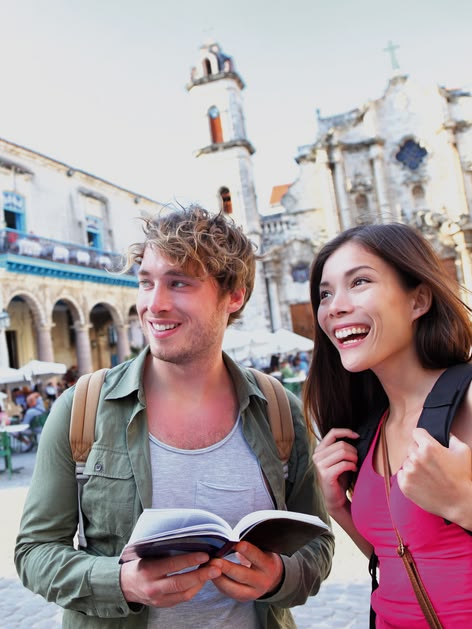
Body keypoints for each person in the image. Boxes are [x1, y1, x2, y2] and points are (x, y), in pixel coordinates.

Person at [15, 205, 334, 628]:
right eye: (146, 282)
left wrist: (279, 576)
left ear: (233, 294)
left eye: (179, 283)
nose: (154, 304)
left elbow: (318, 544)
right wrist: (121, 582)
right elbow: (34, 552)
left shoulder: (277, 409)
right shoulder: (81, 408)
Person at [303, 222, 472, 628]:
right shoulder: (368, 428)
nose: (334, 307)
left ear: (419, 301)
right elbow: (398, 560)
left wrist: (461, 503)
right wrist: (337, 506)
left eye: (359, 281)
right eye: (325, 294)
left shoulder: (468, 401)